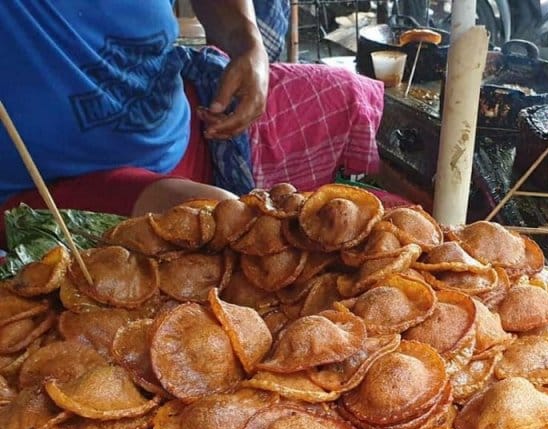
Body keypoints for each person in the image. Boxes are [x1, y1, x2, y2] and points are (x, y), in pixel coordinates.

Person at [0, 1, 384, 247]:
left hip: (191, 115)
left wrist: (248, 45)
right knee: (224, 219)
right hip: (59, 181)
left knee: (352, 94)